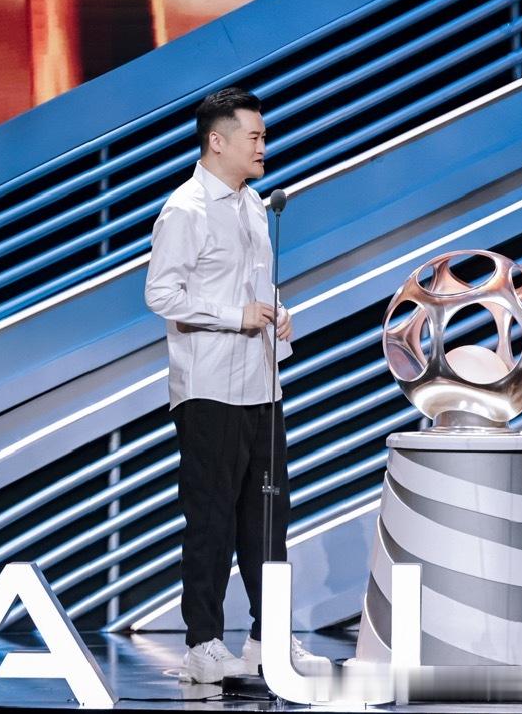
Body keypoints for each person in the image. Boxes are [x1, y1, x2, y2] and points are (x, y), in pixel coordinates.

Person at [145, 86, 328, 683]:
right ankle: (202, 642)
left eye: (264, 136)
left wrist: (278, 311)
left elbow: (254, 287)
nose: (263, 146)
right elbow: (160, 293)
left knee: (268, 517)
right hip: (208, 390)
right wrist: (235, 315)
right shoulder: (186, 209)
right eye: (254, 136)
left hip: (261, 385)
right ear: (216, 141)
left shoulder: (253, 205)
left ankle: (266, 638)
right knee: (212, 518)